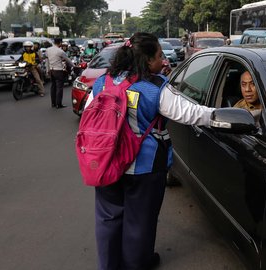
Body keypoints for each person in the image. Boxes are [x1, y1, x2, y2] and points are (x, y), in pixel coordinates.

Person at [85, 32, 214, 270]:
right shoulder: (154, 88)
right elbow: (189, 113)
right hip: (143, 167)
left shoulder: (104, 81)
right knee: (139, 221)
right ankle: (136, 263)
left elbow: (88, 113)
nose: (163, 61)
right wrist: (216, 115)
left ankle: (109, 265)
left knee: (108, 219)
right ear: (146, 60)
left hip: (105, 163)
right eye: (159, 55)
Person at [45, 37, 72, 108]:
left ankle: (53, 103)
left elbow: (47, 61)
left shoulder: (48, 50)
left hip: (51, 70)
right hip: (58, 71)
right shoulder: (60, 51)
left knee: (53, 87)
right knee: (59, 87)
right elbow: (68, 60)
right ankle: (58, 104)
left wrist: (47, 70)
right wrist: (74, 66)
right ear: (60, 43)